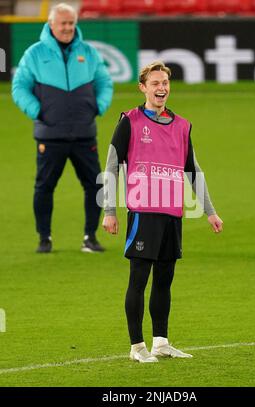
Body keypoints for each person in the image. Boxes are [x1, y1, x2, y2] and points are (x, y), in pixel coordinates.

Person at [102, 61, 223, 363]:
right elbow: (112, 166)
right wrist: (109, 210)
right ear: (143, 87)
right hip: (143, 212)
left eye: (165, 83)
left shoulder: (182, 126)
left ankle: (161, 342)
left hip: (172, 214)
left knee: (164, 280)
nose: (161, 88)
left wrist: (210, 211)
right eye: (155, 83)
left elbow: (193, 170)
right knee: (138, 279)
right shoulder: (129, 121)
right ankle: (136, 347)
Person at [12, 3, 113, 253]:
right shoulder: (34, 54)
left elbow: (105, 82)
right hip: (51, 135)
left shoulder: (88, 53)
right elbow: (19, 88)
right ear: (51, 24)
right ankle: (44, 238)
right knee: (44, 187)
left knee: (95, 185)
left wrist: (97, 107)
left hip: (84, 133)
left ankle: (90, 237)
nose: (67, 28)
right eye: (63, 24)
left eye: (71, 23)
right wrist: (38, 111)